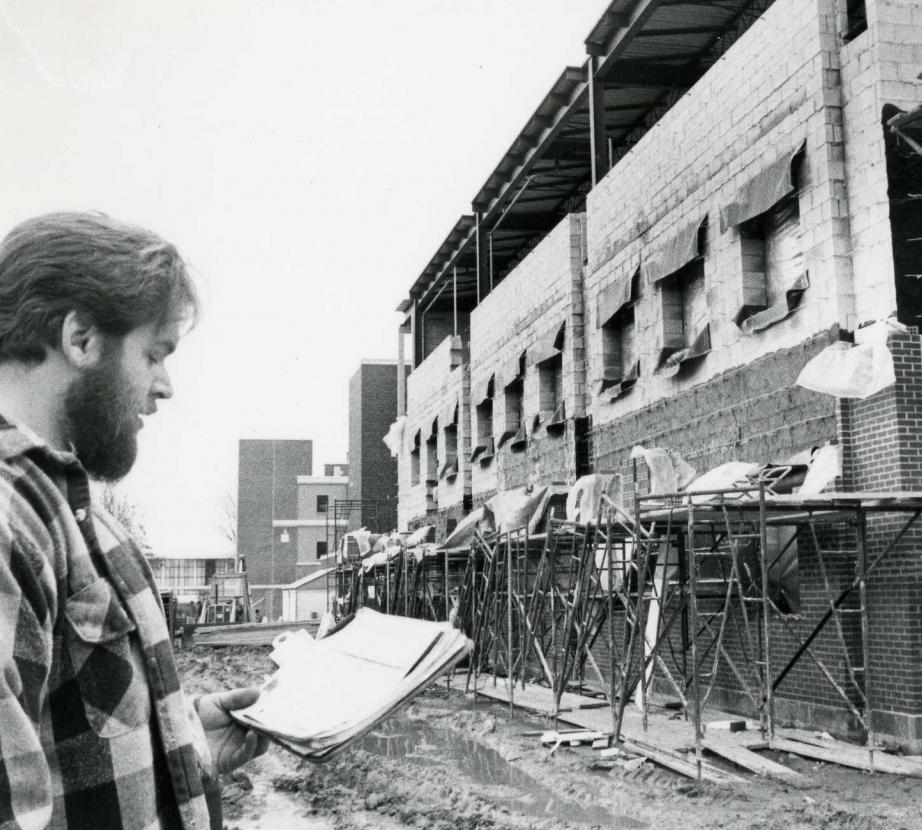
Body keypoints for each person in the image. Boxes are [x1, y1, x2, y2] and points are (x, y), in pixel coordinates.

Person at [0, 212, 268, 829]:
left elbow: (66, 730)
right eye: (154, 353)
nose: (165, 386)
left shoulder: (86, 518)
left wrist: (182, 737)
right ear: (82, 339)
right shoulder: (10, 519)